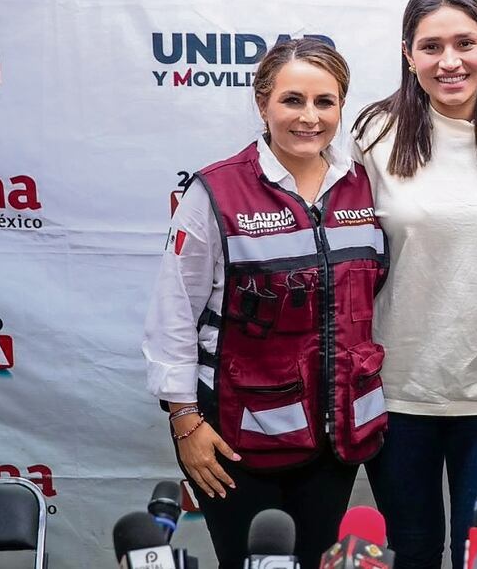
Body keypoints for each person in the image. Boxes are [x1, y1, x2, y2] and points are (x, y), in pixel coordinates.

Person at [142, 39, 388, 569]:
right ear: (262, 103)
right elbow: (174, 314)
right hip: (235, 437)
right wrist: (185, 420)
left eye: (326, 102)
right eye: (292, 100)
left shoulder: (361, 186)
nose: (310, 117)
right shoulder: (216, 191)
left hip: (335, 436)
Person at [351, 0, 477, 569]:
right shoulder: (372, 132)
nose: (450, 61)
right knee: (410, 551)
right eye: (431, 46)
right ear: (408, 56)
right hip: (398, 388)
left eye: (465, 42)